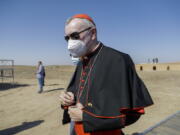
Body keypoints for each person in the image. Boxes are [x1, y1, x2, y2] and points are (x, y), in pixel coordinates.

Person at [59, 14, 153, 135]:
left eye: (75, 36)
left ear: (92, 33)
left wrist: (86, 117)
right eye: (67, 38)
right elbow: (77, 95)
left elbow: (132, 115)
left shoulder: (118, 59)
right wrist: (67, 99)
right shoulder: (81, 62)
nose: (71, 42)